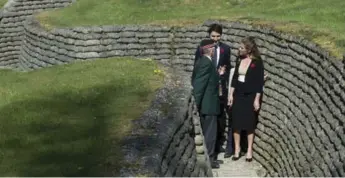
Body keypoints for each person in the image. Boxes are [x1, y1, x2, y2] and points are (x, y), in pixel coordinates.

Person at [194, 23, 232, 157]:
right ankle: (210, 153)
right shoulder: (203, 53)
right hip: (209, 94)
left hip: (219, 88)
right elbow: (198, 75)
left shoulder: (225, 49)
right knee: (210, 122)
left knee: (219, 119)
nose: (216, 39)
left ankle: (216, 145)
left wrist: (222, 76)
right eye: (213, 36)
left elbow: (228, 66)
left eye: (218, 36)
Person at [228, 36, 265, 162]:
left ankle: (249, 150)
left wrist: (256, 99)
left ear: (249, 50)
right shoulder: (239, 60)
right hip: (238, 95)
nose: (239, 49)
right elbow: (235, 79)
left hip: (249, 96)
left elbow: (259, 83)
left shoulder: (257, 62)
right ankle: (237, 149)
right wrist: (231, 94)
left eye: (241, 48)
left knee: (249, 124)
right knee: (236, 124)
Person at [192, 39, 221, 169]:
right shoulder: (206, 63)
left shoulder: (204, 62)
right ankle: (210, 158)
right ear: (210, 50)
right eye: (214, 48)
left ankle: (210, 156)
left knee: (209, 131)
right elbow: (199, 85)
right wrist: (196, 105)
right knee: (210, 133)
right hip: (208, 105)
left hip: (208, 104)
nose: (215, 50)